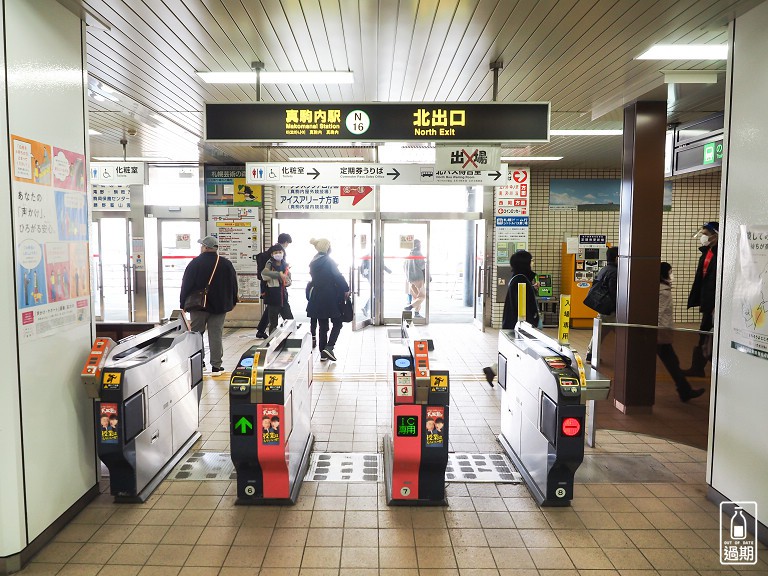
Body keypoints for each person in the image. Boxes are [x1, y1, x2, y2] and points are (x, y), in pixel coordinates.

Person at [179, 235, 238, 373]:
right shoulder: (225, 263)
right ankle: (216, 365)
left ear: (205, 247)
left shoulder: (195, 263)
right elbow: (233, 285)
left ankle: (200, 362)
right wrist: (232, 301)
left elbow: (186, 285)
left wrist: (183, 303)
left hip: (198, 306)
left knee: (197, 334)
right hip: (219, 306)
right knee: (216, 335)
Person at [483, 250, 540, 385]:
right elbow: (522, 304)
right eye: (531, 260)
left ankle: (493, 370)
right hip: (519, 324)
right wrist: (528, 323)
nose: (533, 263)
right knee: (518, 353)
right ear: (525, 263)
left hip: (515, 322)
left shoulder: (519, 277)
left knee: (514, 352)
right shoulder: (520, 279)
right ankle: (495, 371)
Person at [658, 262, 705, 402]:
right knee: (672, 363)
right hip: (660, 332)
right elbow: (658, 314)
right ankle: (685, 391)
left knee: (672, 362)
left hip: (658, 331)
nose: (672, 275)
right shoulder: (663, 292)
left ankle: (685, 390)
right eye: (670, 272)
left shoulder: (660, 289)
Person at [306, 238, 350, 362]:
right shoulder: (328, 261)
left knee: (323, 326)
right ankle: (329, 347)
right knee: (338, 323)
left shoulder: (314, 261)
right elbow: (337, 276)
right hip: (330, 296)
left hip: (317, 296)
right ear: (326, 247)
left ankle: (323, 353)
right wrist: (346, 288)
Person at [685, 222, 718, 376]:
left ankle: (701, 366)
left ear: (716, 235)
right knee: (704, 332)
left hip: (715, 303)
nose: (703, 237)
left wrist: (715, 304)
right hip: (708, 300)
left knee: (707, 333)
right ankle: (698, 367)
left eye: (706, 233)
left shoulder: (721, 254)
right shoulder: (707, 253)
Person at [585, 246, 619, 362]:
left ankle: (590, 355)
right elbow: (614, 292)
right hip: (611, 310)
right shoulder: (614, 272)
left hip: (603, 307)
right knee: (623, 332)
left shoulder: (605, 269)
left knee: (600, 333)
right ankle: (625, 356)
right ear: (616, 258)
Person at [255, 233, 293, 338]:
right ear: (286, 242)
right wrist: (279, 275)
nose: (279, 254)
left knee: (274, 311)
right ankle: (270, 337)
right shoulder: (271, 261)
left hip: (280, 292)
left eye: (280, 252)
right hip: (272, 291)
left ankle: (261, 330)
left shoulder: (282, 261)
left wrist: (287, 278)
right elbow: (264, 274)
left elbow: (286, 275)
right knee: (274, 316)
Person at [404, 239, 426, 318]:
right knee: (422, 296)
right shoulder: (418, 253)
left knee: (416, 297)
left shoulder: (409, 254)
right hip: (418, 277)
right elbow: (422, 266)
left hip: (410, 279)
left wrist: (408, 278)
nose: (421, 246)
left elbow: (404, 267)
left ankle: (416, 313)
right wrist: (427, 276)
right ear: (418, 245)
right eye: (420, 244)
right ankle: (411, 306)